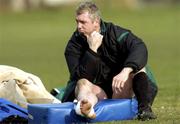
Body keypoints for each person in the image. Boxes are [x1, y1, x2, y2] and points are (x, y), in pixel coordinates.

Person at [62, 1, 158, 121]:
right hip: (96, 92)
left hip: (120, 89)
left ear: (96, 22)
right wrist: (92, 51)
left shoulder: (114, 33)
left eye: (83, 22)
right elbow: (79, 76)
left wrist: (125, 71)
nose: (78, 26)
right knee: (81, 82)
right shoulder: (73, 45)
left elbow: (139, 47)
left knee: (138, 68)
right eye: (77, 22)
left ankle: (145, 110)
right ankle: (86, 107)